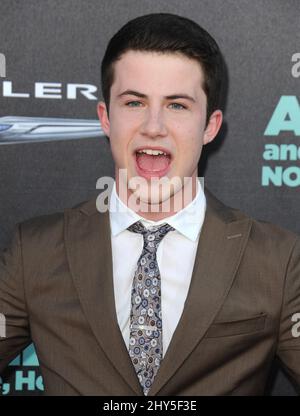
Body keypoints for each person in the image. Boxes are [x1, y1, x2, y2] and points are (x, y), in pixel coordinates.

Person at [0, 13, 299, 396]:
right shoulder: (35, 252)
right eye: (134, 102)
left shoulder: (278, 261)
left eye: (177, 105)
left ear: (210, 125)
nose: (154, 125)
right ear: (106, 118)